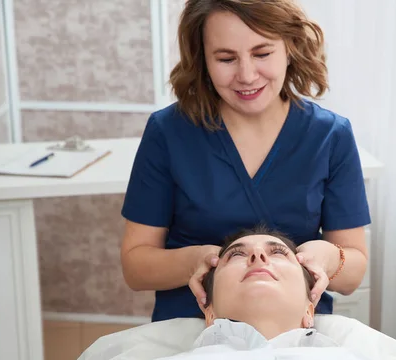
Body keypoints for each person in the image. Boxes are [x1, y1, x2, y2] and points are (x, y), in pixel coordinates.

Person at [120, 0, 371, 322]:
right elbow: (136, 268)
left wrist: (328, 258)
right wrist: (203, 260)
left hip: (294, 329)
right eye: (226, 58)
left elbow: (353, 274)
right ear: (203, 60)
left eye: (262, 54)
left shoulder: (330, 135)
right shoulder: (169, 132)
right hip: (192, 328)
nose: (247, 75)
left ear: (290, 47)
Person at [109, 229, 396, 360]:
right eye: (236, 255)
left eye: (279, 253)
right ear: (208, 309)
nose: (258, 254)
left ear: (311, 307)